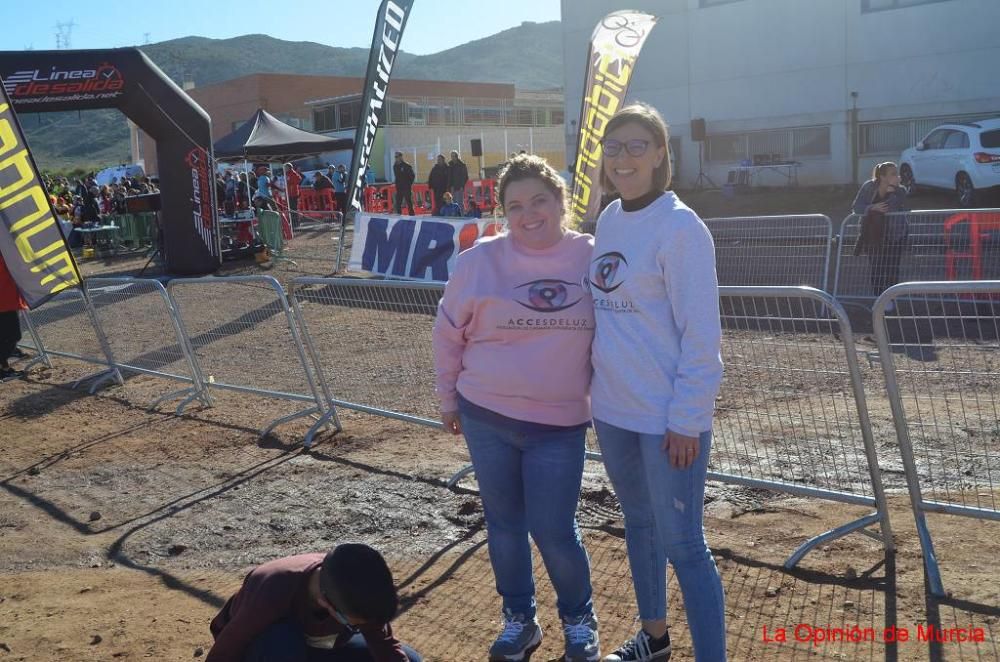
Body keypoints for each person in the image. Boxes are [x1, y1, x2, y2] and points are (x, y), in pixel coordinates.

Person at [433, 154, 601, 662]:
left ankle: (578, 620)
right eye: (515, 205)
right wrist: (447, 400)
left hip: (560, 423)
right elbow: (447, 334)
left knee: (553, 530)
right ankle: (520, 621)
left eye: (539, 201)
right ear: (503, 211)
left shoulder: (593, 256)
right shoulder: (479, 261)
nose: (528, 214)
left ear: (560, 202)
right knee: (504, 525)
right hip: (487, 415)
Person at [589, 103, 726, 662]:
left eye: (637, 145)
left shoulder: (680, 227)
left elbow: (702, 336)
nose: (624, 157)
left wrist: (688, 419)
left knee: (685, 544)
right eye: (614, 146)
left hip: (666, 420)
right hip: (613, 411)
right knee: (639, 526)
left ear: (661, 153)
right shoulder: (609, 220)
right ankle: (655, 639)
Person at [206, 543, 421, 662]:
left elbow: (384, 645)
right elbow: (226, 650)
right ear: (325, 603)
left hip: (318, 647)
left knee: (411, 659)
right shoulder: (273, 587)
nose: (361, 629)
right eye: (353, 625)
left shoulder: (356, 589)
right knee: (282, 640)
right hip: (266, 651)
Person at [852, 161, 909, 303]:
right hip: (873, 235)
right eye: (893, 174)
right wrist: (872, 207)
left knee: (892, 268)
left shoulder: (900, 190)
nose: (898, 176)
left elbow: (892, 206)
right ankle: (879, 300)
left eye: (897, 173)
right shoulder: (868, 187)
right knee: (877, 268)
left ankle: (890, 299)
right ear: (882, 177)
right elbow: (857, 207)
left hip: (895, 235)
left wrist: (891, 191)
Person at [0, 254, 27, 381]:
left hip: (6, 300)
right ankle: (4, 369)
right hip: (5, 302)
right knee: (13, 336)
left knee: (5, 338)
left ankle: (5, 369)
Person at [284, 163, 304, 228]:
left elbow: (299, 179)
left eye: (286, 167)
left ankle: (296, 222)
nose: (285, 168)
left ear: (289, 167)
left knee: (294, 208)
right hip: (289, 193)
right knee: (290, 208)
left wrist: (291, 183)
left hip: (293, 193)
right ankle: (293, 222)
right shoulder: (287, 174)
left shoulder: (293, 173)